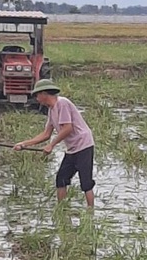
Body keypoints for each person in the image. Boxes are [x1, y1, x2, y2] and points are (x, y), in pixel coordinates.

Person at [14, 79, 96, 208]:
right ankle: (61, 209)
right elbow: (46, 134)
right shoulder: (51, 110)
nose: (36, 98)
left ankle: (91, 213)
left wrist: (51, 145)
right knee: (61, 179)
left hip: (83, 145)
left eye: (37, 95)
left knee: (86, 183)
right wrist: (24, 144)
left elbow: (67, 128)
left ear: (44, 94)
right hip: (72, 148)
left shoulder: (62, 103)